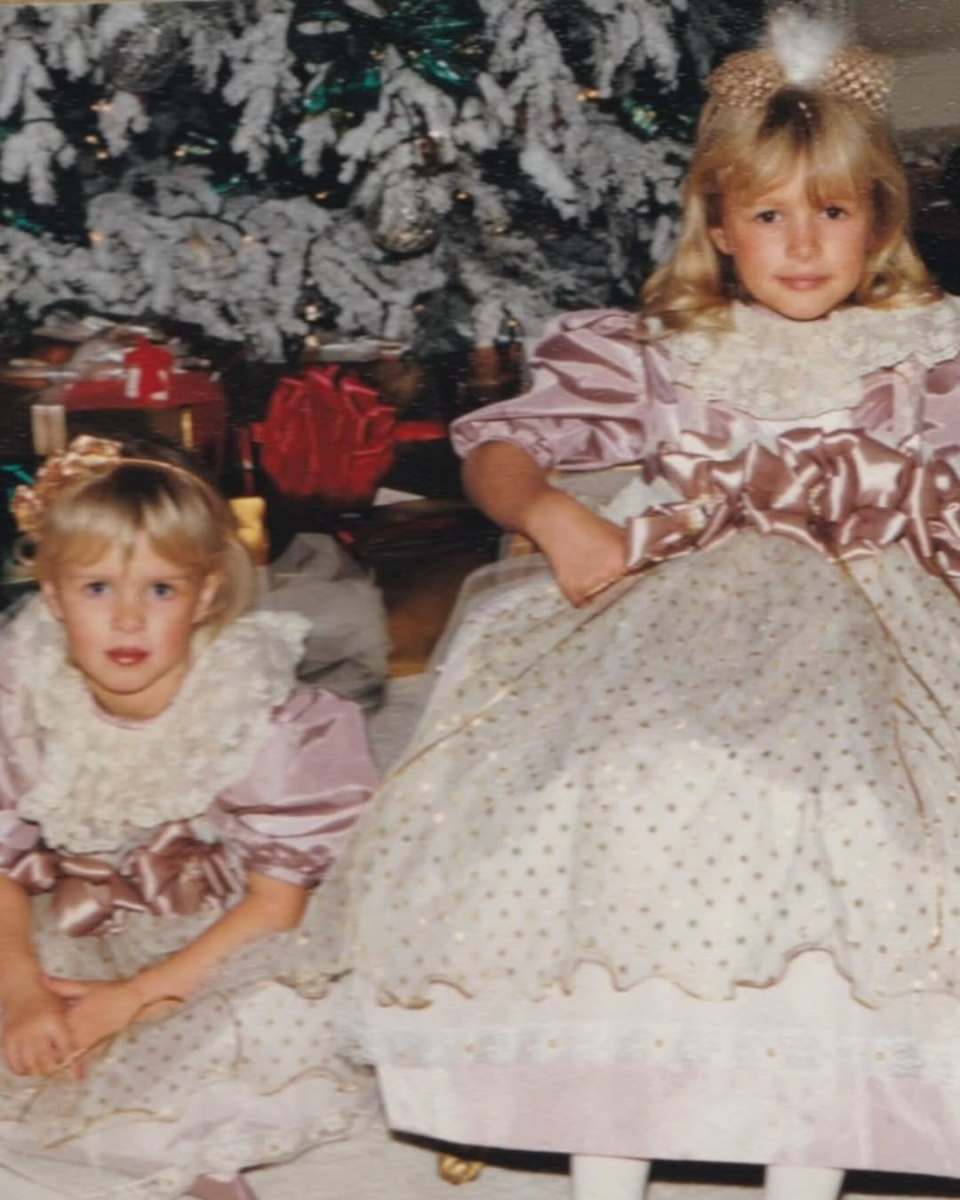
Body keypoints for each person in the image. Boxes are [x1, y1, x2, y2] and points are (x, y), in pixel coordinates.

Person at [314, 10, 960, 1200]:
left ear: (877, 225)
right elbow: (505, 449)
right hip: (671, 615)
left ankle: (807, 1154)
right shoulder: (659, 347)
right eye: (767, 212)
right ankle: (605, 1150)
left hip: (871, 632)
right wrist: (555, 518)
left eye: (831, 210)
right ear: (717, 222)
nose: (801, 242)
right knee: (611, 786)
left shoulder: (928, 354)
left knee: (852, 821)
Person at [0, 436, 379, 1200]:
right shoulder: (23, 691)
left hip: (219, 931)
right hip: (72, 923)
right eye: (98, 588)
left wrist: (133, 1000)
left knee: (274, 1019)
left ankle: (208, 1164)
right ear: (51, 591)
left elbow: (276, 907)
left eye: (162, 591)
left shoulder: (254, 710)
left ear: (206, 595)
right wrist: (21, 987)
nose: (129, 620)